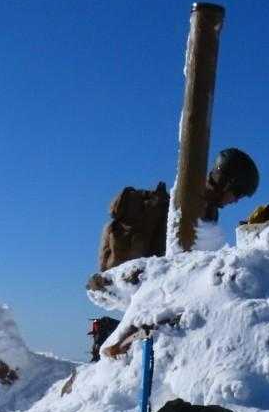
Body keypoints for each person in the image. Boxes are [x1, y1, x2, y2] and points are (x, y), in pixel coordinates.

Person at [87, 148, 258, 359]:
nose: (237, 200)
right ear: (227, 182)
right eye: (238, 193)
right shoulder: (193, 206)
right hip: (157, 293)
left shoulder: (201, 205)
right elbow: (180, 263)